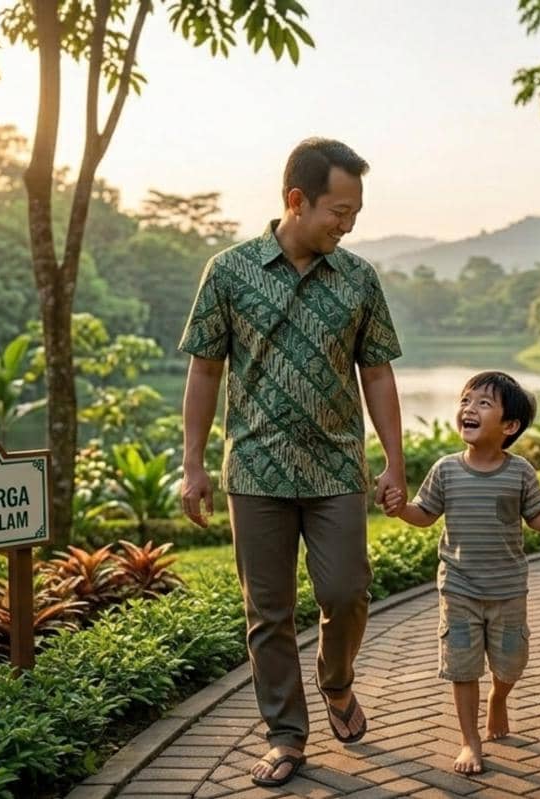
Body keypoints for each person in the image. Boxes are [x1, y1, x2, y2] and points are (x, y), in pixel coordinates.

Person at [177, 138, 406, 789]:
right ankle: (285, 734)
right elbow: (204, 370)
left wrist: (393, 460)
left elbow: (379, 374)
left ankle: (336, 680)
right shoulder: (230, 271)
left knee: (346, 591)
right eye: (339, 210)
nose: (348, 224)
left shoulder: (358, 278)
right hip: (255, 471)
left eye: (356, 213)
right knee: (268, 612)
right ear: (296, 200)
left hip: (336, 468)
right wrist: (192, 464)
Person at [382, 371, 540, 776]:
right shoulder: (446, 470)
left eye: (484, 403)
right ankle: (470, 741)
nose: (469, 408)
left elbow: (538, 518)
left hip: (507, 590)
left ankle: (498, 698)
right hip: (459, 588)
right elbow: (425, 515)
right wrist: (400, 509)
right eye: (466, 400)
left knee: (512, 663)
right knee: (462, 666)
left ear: (509, 426)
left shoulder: (520, 472)